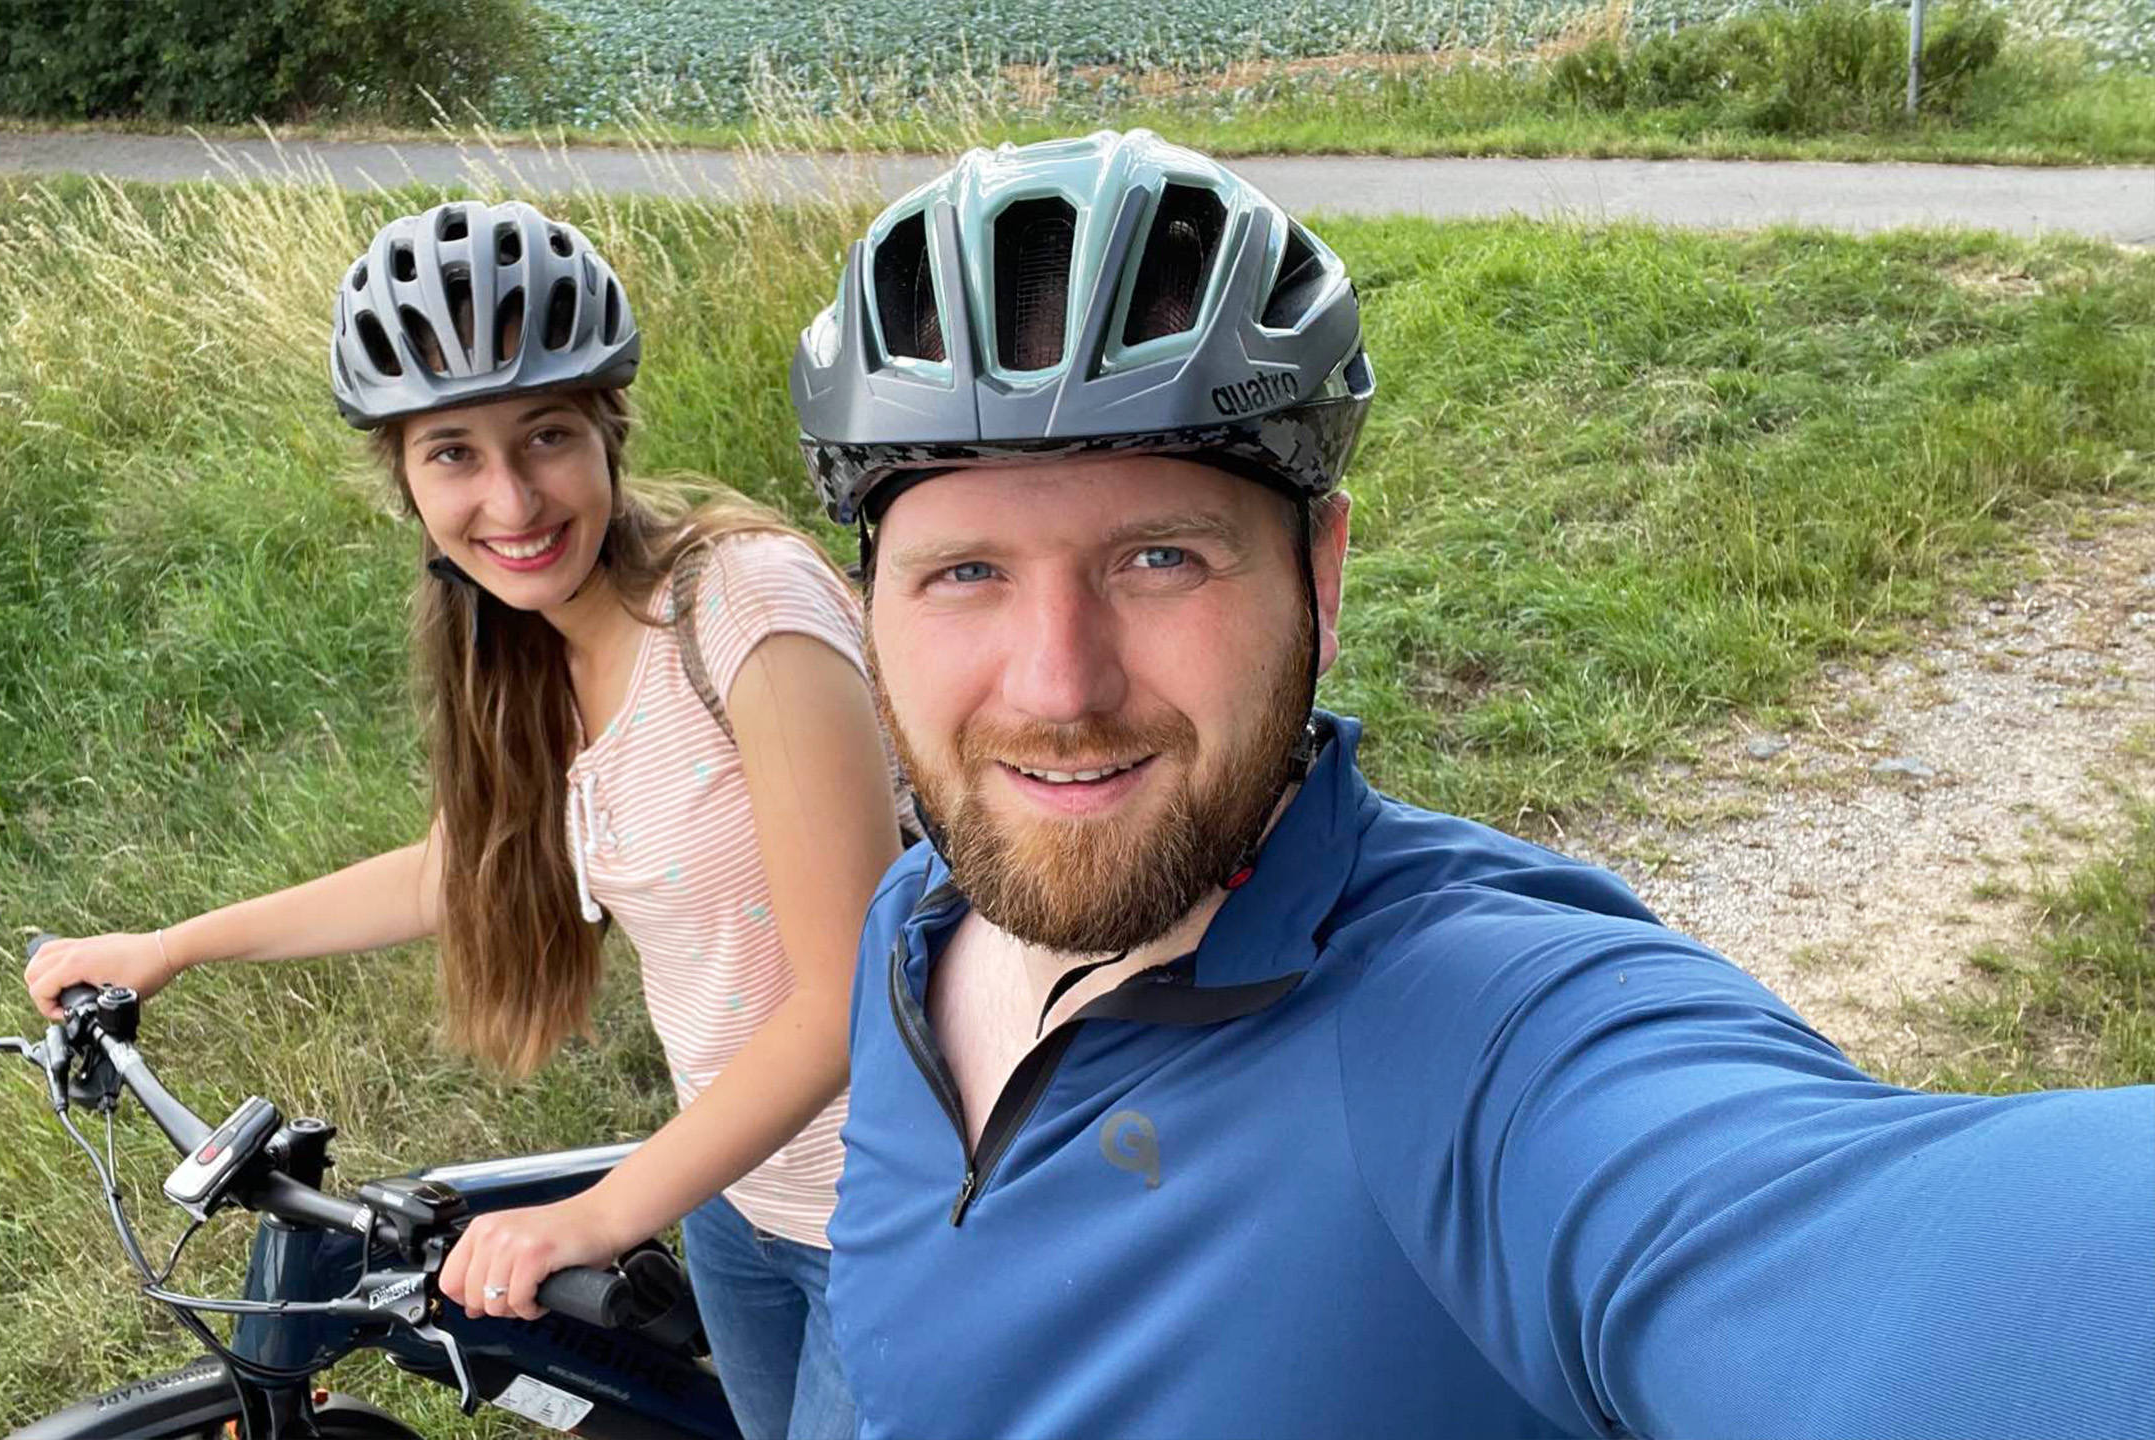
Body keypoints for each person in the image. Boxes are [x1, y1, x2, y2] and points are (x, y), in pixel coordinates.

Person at [792, 130, 2155, 1440]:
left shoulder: (1468, 1040)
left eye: (1162, 559)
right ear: (871, 605)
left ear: (1318, 578)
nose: (1058, 689)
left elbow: (1915, 1276)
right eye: (965, 571)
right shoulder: (916, 922)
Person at [26, 197, 901, 1440]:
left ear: (607, 432)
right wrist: (169, 947)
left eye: (544, 435)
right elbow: (466, 869)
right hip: (740, 1200)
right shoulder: (531, 654)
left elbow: (846, 1000)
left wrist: (595, 1216)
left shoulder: (740, 612)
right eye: (453, 453)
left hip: (895, 1218)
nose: (510, 497)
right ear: (404, 481)